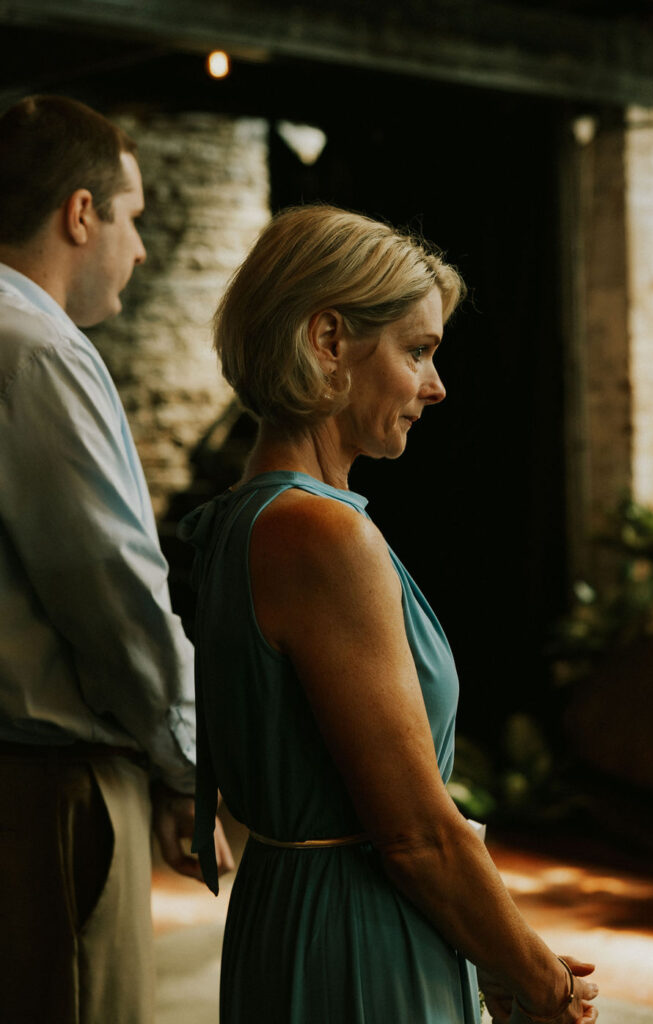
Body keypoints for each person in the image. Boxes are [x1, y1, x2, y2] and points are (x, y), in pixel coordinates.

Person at [180, 204, 599, 1024]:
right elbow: (416, 835)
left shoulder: (241, 519)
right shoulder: (323, 534)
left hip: (289, 918)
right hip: (357, 938)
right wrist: (541, 985)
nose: (436, 387)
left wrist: (488, 946)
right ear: (329, 341)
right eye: (417, 351)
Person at [0, 94, 232, 1024]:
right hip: (46, 795)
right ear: (81, 213)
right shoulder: (38, 350)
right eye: (132, 217)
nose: (140, 249)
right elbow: (113, 593)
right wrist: (188, 768)